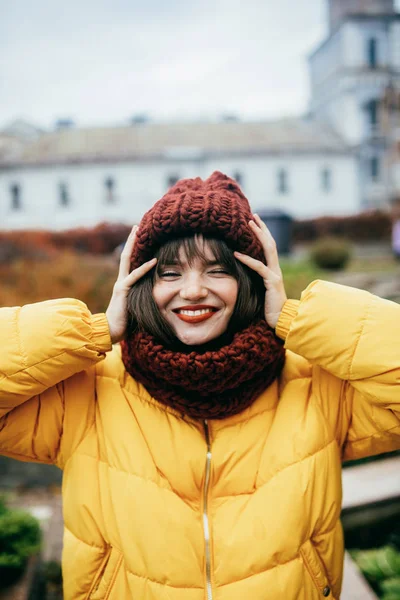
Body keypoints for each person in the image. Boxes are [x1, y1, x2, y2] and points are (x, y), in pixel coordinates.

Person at [0, 171, 399, 600]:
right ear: (140, 283)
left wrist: (295, 317)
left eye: (217, 270)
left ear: (254, 278)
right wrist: (94, 330)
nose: (193, 291)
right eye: (170, 273)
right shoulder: (87, 390)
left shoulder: (316, 385)